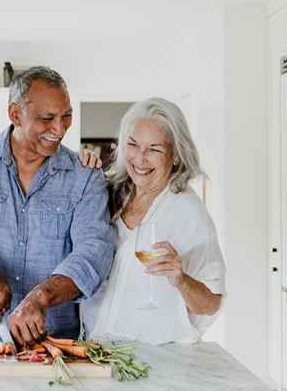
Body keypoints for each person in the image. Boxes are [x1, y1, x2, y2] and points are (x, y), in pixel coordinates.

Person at [0, 66, 114, 346]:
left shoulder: (85, 175)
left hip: (57, 345)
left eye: (66, 116)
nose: (60, 128)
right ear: (15, 114)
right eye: (47, 118)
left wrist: (42, 295)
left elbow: (93, 254)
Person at [81, 98, 225, 344]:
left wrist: (181, 279)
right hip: (95, 345)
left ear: (176, 156)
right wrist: (80, 169)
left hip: (154, 356)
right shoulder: (110, 191)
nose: (140, 158)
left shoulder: (188, 213)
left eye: (155, 149)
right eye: (133, 145)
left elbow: (210, 304)